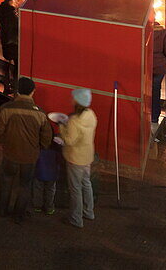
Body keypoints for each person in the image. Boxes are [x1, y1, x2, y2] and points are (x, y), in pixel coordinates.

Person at [0, 77, 53, 222]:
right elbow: (46, 137)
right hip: (29, 156)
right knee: (25, 185)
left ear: (17, 91)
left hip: (10, 153)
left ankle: (2, 210)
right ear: (33, 91)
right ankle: (19, 214)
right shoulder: (40, 113)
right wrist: (41, 146)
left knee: (6, 180)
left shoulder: (6, 108)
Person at [62, 88, 97, 228]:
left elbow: (69, 140)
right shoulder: (91, 114)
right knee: (86, 183)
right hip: (87, 155)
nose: (71, 99)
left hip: (74, 157)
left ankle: (76, 219)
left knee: (75, 188)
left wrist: (62, 127)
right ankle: (89, 211)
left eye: (74, 98)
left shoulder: (74, 121)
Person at [0, 0, 19, 95]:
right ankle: (15, 88)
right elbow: (17, 27)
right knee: (17, 65)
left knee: (7, 63)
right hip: (14, 41)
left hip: (5, 39)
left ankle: (6, 86)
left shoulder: (0, 10)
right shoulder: (13, 14)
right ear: (11, 0)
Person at [151, 21, 166, 125]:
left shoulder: (145, 32)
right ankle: (154, 117)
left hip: (146, 66)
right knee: (156, 91)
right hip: (159, 67)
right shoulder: (163, 33)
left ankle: (145, 112)